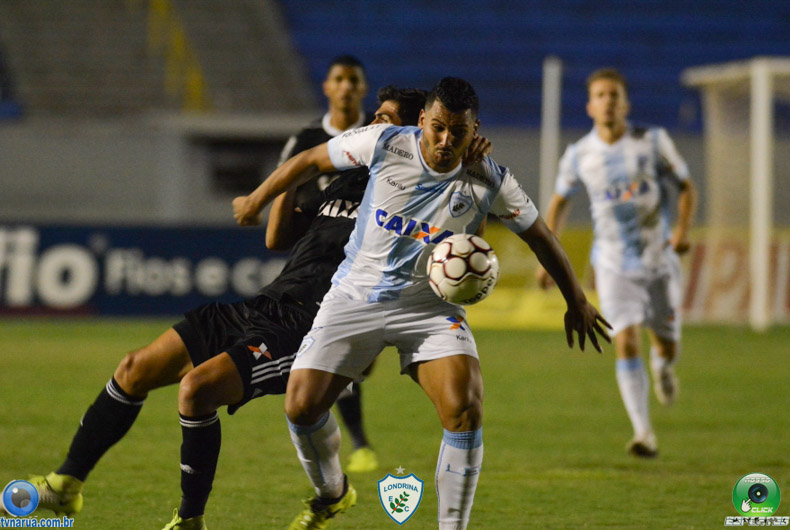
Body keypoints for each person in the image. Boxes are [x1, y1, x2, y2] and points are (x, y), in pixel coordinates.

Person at [22, 85, 432, 530]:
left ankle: (190, 520)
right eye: (375, 116)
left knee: (198, 390)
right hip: (267, 303)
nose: (373, 124)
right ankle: (65, 487)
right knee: (134, 368)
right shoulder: (347, 178)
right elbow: (277, 239)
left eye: (386, 119)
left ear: (414, 133)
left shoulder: (413, 196)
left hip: (311, 325)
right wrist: (293, 173)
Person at [233, 76, 610, 530]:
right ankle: (332, 492)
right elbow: (310, 159)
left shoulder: (489, 178)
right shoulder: (385, 143)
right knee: (300, 406)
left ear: (475, 130)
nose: (446, 140)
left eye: (458, 131)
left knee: (465, 408)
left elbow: (541, 236)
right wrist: (256, 199)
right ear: (422, 121)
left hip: (430, 309)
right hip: (356, 296)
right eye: (438, 127)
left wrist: (576, 300)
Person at [536, 68, 697, 458]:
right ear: (590, 106)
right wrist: (547, 258)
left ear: (626, 104)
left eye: (614, 95)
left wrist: (681, 230)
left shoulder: (652, 141)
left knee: (667, 344)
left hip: (658, 259)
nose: (608, 101)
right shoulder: (579, 154)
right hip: (611, 264)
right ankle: (643, 433)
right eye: (600, 95)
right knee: (624, 339)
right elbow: (559, 202)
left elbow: (686, 187)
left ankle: (663, 366)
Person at [277, 54, 380, 474]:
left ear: (363, 88)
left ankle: (344, 452)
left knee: (342, 359)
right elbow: (283, 183)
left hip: (367, 262)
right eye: (339, 78)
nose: (347, 86)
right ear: (327, 87)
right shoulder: (306, 139)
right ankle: (357, 446)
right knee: (330, 357)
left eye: (354, 80)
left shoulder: (380, 134)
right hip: (317, 262)